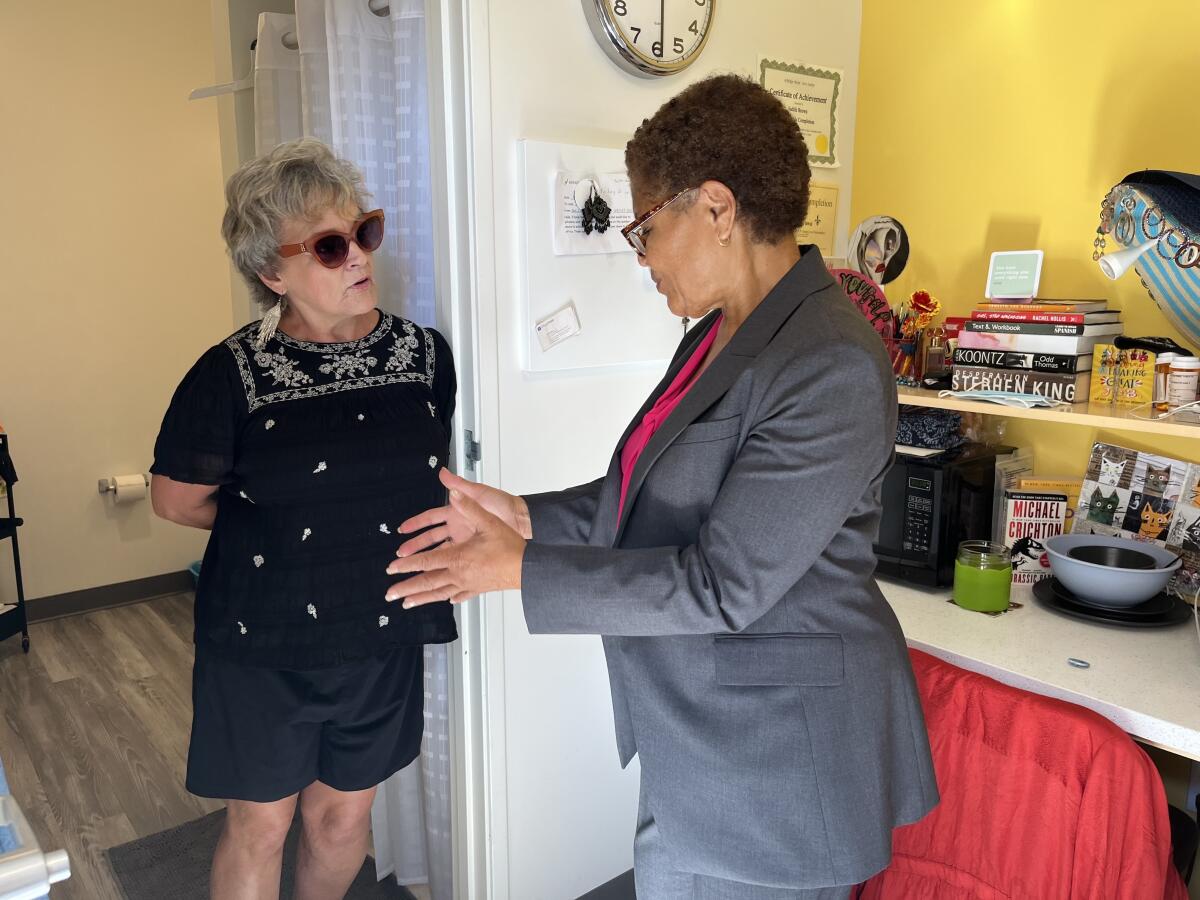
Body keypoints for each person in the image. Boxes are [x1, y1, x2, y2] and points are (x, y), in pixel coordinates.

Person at [386, 75, 938, 898]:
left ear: (716, 207)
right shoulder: (722, 332)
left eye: (644, 228)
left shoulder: (829, 362)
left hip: (777, 761)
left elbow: (724, 583)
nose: (638, 256)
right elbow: (648, 493)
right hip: (703, 739)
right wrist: (524, 517)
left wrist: (517, 569)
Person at [150, 139, 457, 900]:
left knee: (342, 821)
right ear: (271, 272)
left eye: (365, 232)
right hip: (263, 644)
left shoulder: (424, 355)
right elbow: (177, 498)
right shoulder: (228, 374)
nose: (357, 255)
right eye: (329, 245)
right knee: (260, 825)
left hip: (380, 635)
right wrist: (285, 527)